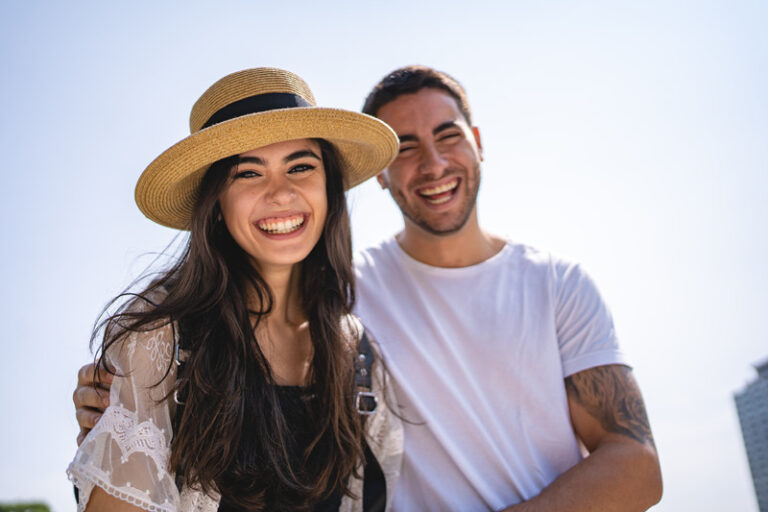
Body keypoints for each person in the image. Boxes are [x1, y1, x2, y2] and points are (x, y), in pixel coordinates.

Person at [74, 65, 663, 511]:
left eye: (300, 167)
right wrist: (125, 396)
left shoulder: (552, 285)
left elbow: (637, 462)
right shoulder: (338, 301)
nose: (431, 164)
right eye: (248, 173)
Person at [67, 67, 404, 512]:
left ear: (329, 188)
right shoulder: (160, 337)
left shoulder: (356, 353)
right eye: (249, 173)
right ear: (216, 206)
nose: (281, 193)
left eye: (301, 167)